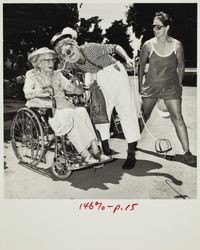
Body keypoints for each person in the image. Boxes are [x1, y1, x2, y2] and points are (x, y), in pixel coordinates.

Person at [50, 28, 141, 170]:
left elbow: (114, 47)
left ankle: (131, 154)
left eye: (70, 51)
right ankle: (105, 150)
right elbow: (61, 71)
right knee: (100, 113)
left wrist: (127, 58)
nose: (70, 56)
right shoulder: (70, 63)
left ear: (74, 44)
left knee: (125, 111)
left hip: (114, 73)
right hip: (99, 79)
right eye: (65, 56)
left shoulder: (90, 48)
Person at [23, 47, 111, 165]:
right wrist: (43, 91)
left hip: (65, 107)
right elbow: (27, 93)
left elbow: (70, 87)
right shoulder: (31, 74)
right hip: (47, 111)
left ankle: (95, 149)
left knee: (81, 111)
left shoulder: (57, 75)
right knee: (71, 114)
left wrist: (81, 89)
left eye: (52, 60)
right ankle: (85, 154)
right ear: (38, 63)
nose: (51, 63)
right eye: (46, 60)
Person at [138, 11, 196, 165]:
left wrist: (180, 84)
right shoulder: (148, 45)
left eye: (158, 27)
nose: (155, 30)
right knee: (144, 116)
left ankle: (187, 152)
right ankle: (133, 144)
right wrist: (139, 86)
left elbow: (181, 66)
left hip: (171, 87)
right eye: (153, 27)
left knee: (178, 118)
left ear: (167, 27)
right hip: (151, 86)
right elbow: (141, 65)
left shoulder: (177, 45)